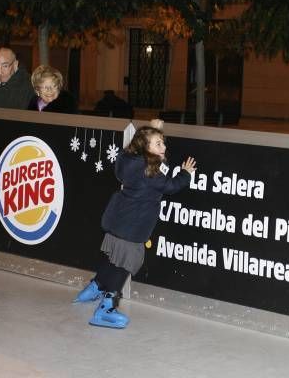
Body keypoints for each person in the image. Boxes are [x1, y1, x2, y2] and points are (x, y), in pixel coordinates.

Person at [73, 119, 197, 328]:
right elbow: (172, 186)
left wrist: (153, 131)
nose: (164, 147)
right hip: (133, 227)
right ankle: (106, 309)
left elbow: (132, 154)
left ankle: (93, 289)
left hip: (117, 221)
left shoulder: (127, 161)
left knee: (113, 260)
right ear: (145, 148)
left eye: (163, 142)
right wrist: (186, 173)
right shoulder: (151, 172)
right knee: (123, 267)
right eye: (158, 143)